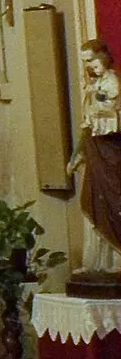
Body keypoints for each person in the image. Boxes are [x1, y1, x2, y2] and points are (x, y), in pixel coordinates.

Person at [74, 40, 121, 276]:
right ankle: (99, 261)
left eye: (91, 60)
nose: (90, 66)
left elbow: (113, 106)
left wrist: (96, 103)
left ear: (103, 57)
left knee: (112, 198)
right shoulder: (93, 85)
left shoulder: (112, 81)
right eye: (85, 63)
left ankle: (117, 258)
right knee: (93, 198)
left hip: (110, 146)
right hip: (95, 146)